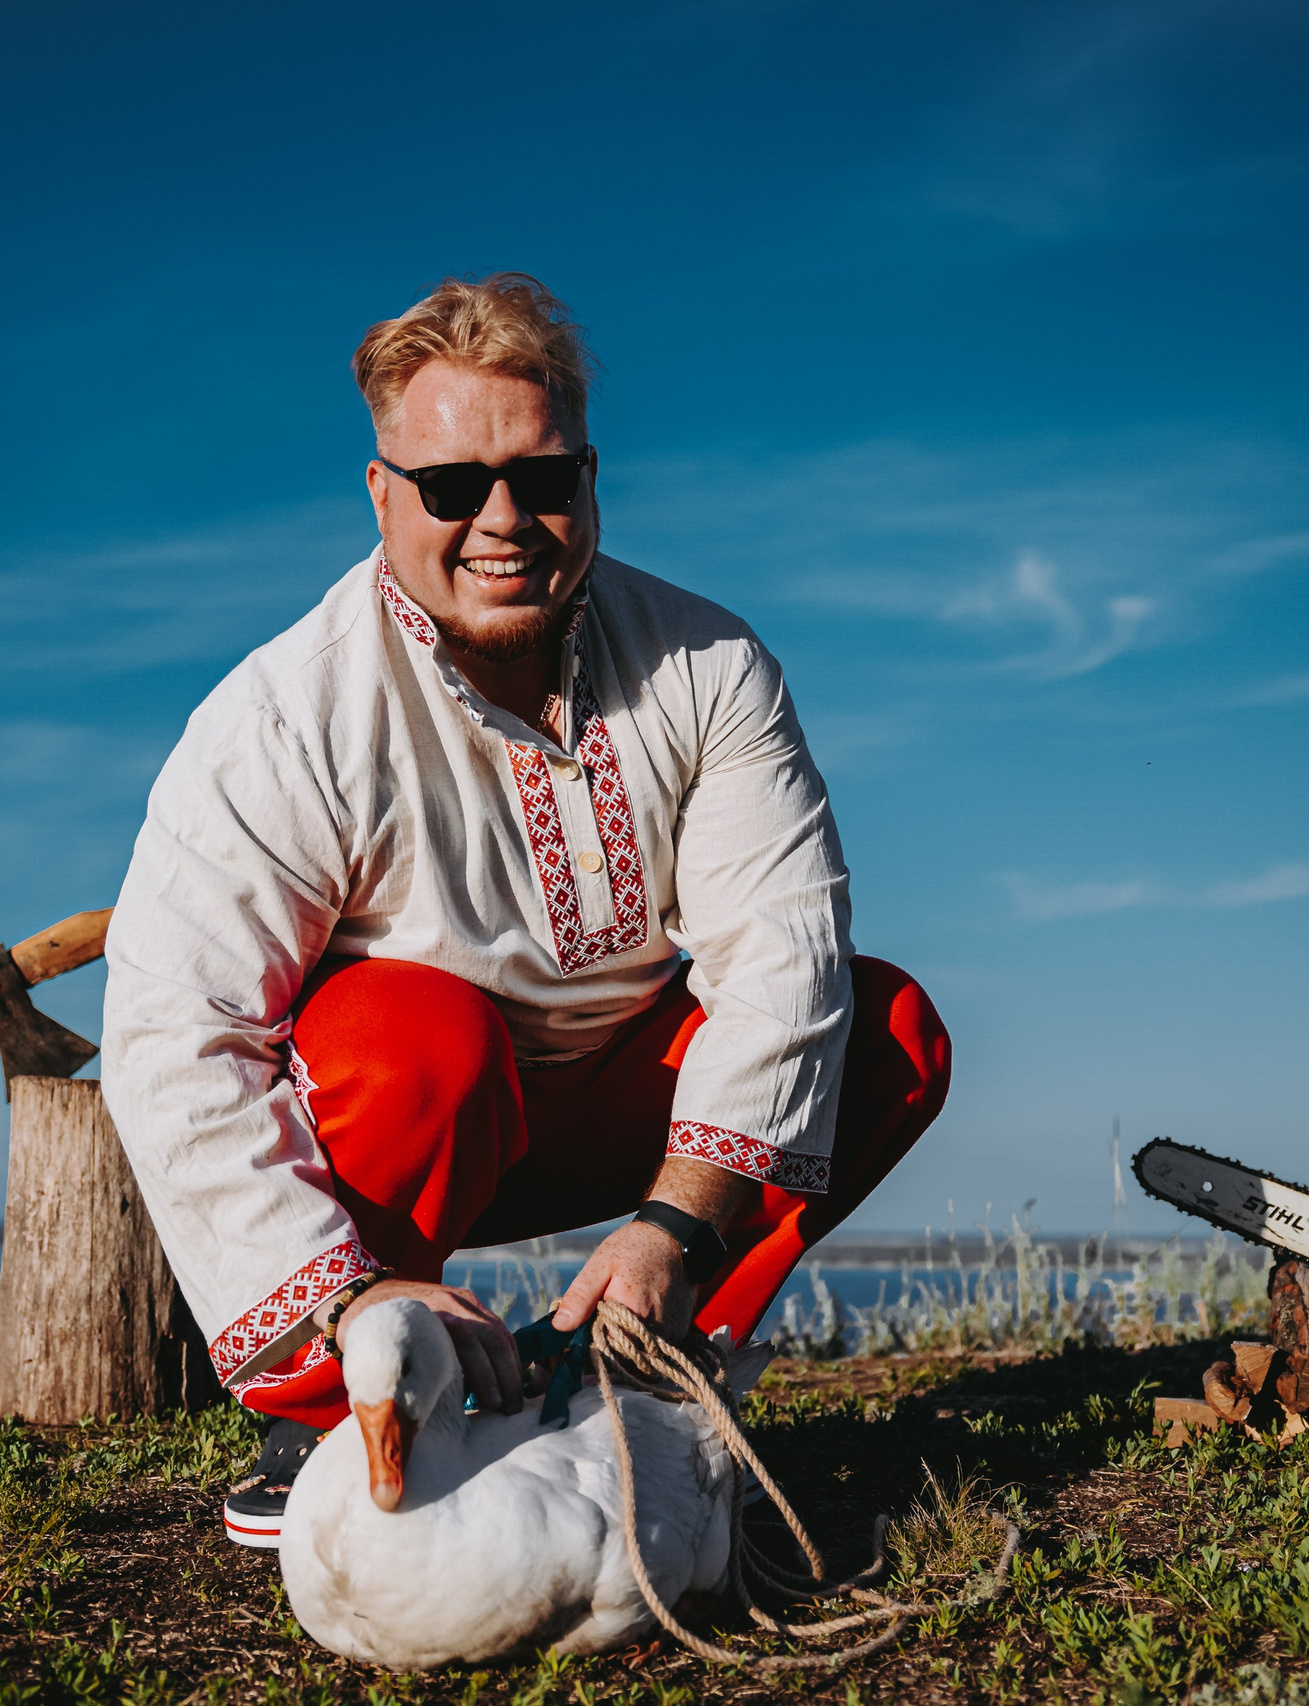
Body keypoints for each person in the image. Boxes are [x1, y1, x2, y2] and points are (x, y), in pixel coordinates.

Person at [100, 273, 951, 1547]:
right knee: (409, 1034)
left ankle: (634, 1369)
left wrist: (673, 1221)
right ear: (383, 494)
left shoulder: (710, 664)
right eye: (450, 486)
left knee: (886, 1027)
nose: (502, 521)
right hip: (411, 1127)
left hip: (631, 1110)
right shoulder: (283, 717)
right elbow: (178, 1034)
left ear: (591, 481)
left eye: (542, 479)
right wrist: (348, 1300)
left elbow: (780, 950)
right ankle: (337, 1408)